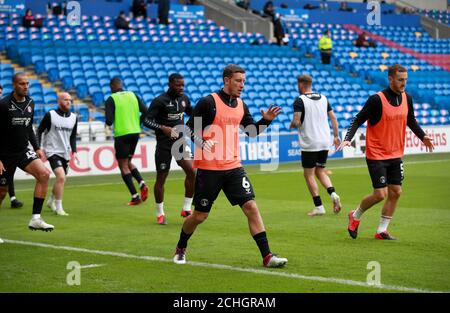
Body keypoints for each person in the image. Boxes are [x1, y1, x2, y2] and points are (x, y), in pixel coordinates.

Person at [172, 64, 288, 268]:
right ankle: (181, 247)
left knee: (251, 206)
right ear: (226, 80)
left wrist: (266, 121)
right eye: (238, 81)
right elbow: (188, 129)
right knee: (200, 216)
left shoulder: (242, 105)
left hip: (234, 166)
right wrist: (201, 142)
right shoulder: (208, 103)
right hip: (209, 169)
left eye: (243, 81)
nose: (242, 85)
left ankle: (267, 256)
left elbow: (252, 132)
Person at [338, 64, 434, 240]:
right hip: (376, 155)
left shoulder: (407, 98)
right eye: (400, 80)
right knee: (380, 194)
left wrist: (423, 136)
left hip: (396, 154)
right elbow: (358, 119)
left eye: (405, 79)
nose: (403, 83)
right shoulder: (376, 100)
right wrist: (347, 137)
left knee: (396, 192)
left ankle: (382, 230)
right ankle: (355, 215)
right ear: (390, 78)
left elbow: (410, 120)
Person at [0, 72, 53, 231]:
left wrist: (36, 147)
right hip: (4, 155)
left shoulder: (31, 102)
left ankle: (36, 218)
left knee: (44, 174)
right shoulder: (3, 105)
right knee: (1, 193)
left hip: (23, 151)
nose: (26, 87)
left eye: (27, 84)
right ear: (14, 85)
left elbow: (29, 127)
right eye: (22, 84)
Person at [143, 74, 195, 225]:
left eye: (183, 85)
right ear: (170, 84)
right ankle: (160, 213)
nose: (181, 88)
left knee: (192, 172)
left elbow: (191, 112)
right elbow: (146, 120)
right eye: (178, 85)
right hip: (164, 145)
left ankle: (186, 208)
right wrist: (162, 128)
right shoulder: (160, 101)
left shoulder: (184, 99)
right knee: (161, 179)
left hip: (179, 142)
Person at [289, 75, 341, 216]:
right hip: (325, 140)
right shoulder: (324, 98)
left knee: (309, 174)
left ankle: (319, 207)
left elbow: (296, 120)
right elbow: (333, 118)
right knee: (320, 171)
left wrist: (292, 125)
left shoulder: (300, 100)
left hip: (310, 142)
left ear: (301, 84)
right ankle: (333, 193)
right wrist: (336, 136)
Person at [105, 77, 149, 206]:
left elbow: (108, 121)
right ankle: (141, 183)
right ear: (121, 85)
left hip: (122, 134)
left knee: (122, 165)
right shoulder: (133, 95)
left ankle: (135, 197)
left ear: (112, 86)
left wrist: (109, 115)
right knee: (128, 162)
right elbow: (146, 111)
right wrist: (138, 123)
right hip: (135, 133)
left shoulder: (111, 99)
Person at [37, 92, 78, 216]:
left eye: (70, 100)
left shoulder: (74, 117)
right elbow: (39, 130)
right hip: (52, 151)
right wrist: (38, 147)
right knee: (61, 176)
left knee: (62, 179)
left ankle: (50, 201)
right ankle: (59, 207)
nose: (68, 102)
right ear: (59, 101)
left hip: (65, 152)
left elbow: (73, 136)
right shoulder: (51, 115)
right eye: (65, 100)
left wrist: (74, 151)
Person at [0, 83, 24, 209]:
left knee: (8, 174)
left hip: (6, 150)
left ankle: (13, 198)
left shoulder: (5, 107)